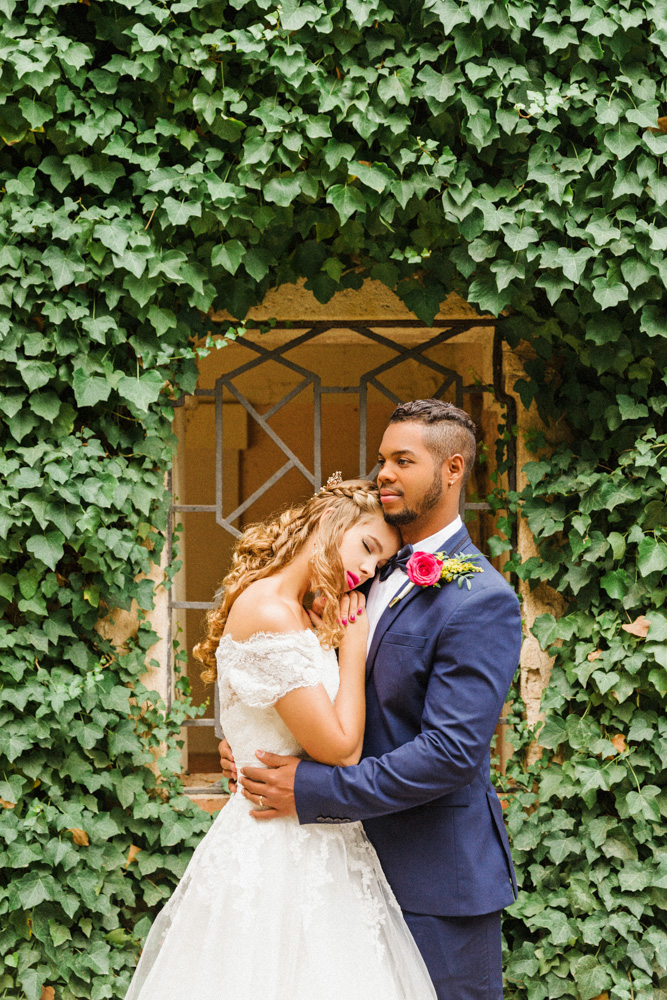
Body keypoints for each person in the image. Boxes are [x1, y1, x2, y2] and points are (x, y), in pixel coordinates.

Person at [223, 399, 523, 1000]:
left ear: (452, 469)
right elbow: (283, 674)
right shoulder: (350, 569)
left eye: (403, 460)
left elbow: (450, 752)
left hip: (432, 880)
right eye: (381, 459)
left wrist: (309, 788)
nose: (384, 472)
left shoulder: (481, 598)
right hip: (332, 875)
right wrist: (250, 741)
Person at [124, 477, 438, 1000]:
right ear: (327, 525)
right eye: (367, 548)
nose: (367, 572)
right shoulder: (271, 611)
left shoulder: (298, 611)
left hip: (314, 833)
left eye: (380, 565)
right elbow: (341, 750)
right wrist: (354, 644)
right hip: (279, 848)